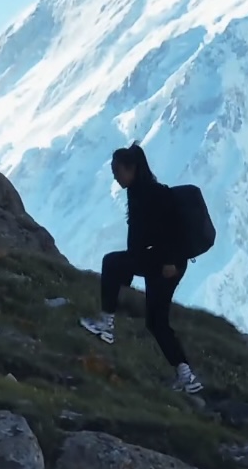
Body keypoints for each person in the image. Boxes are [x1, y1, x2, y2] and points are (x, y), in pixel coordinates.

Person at [79, 143, 204, 394]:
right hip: (158, 260)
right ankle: (187, 377)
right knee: (156, 321)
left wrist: (170, 261)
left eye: (117, 171)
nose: (115, 177)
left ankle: (106, 325)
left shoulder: (152, 193)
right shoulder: (137, 191)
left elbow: (173, 228)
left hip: (166, 263)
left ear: (131, 169)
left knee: (112, 263)